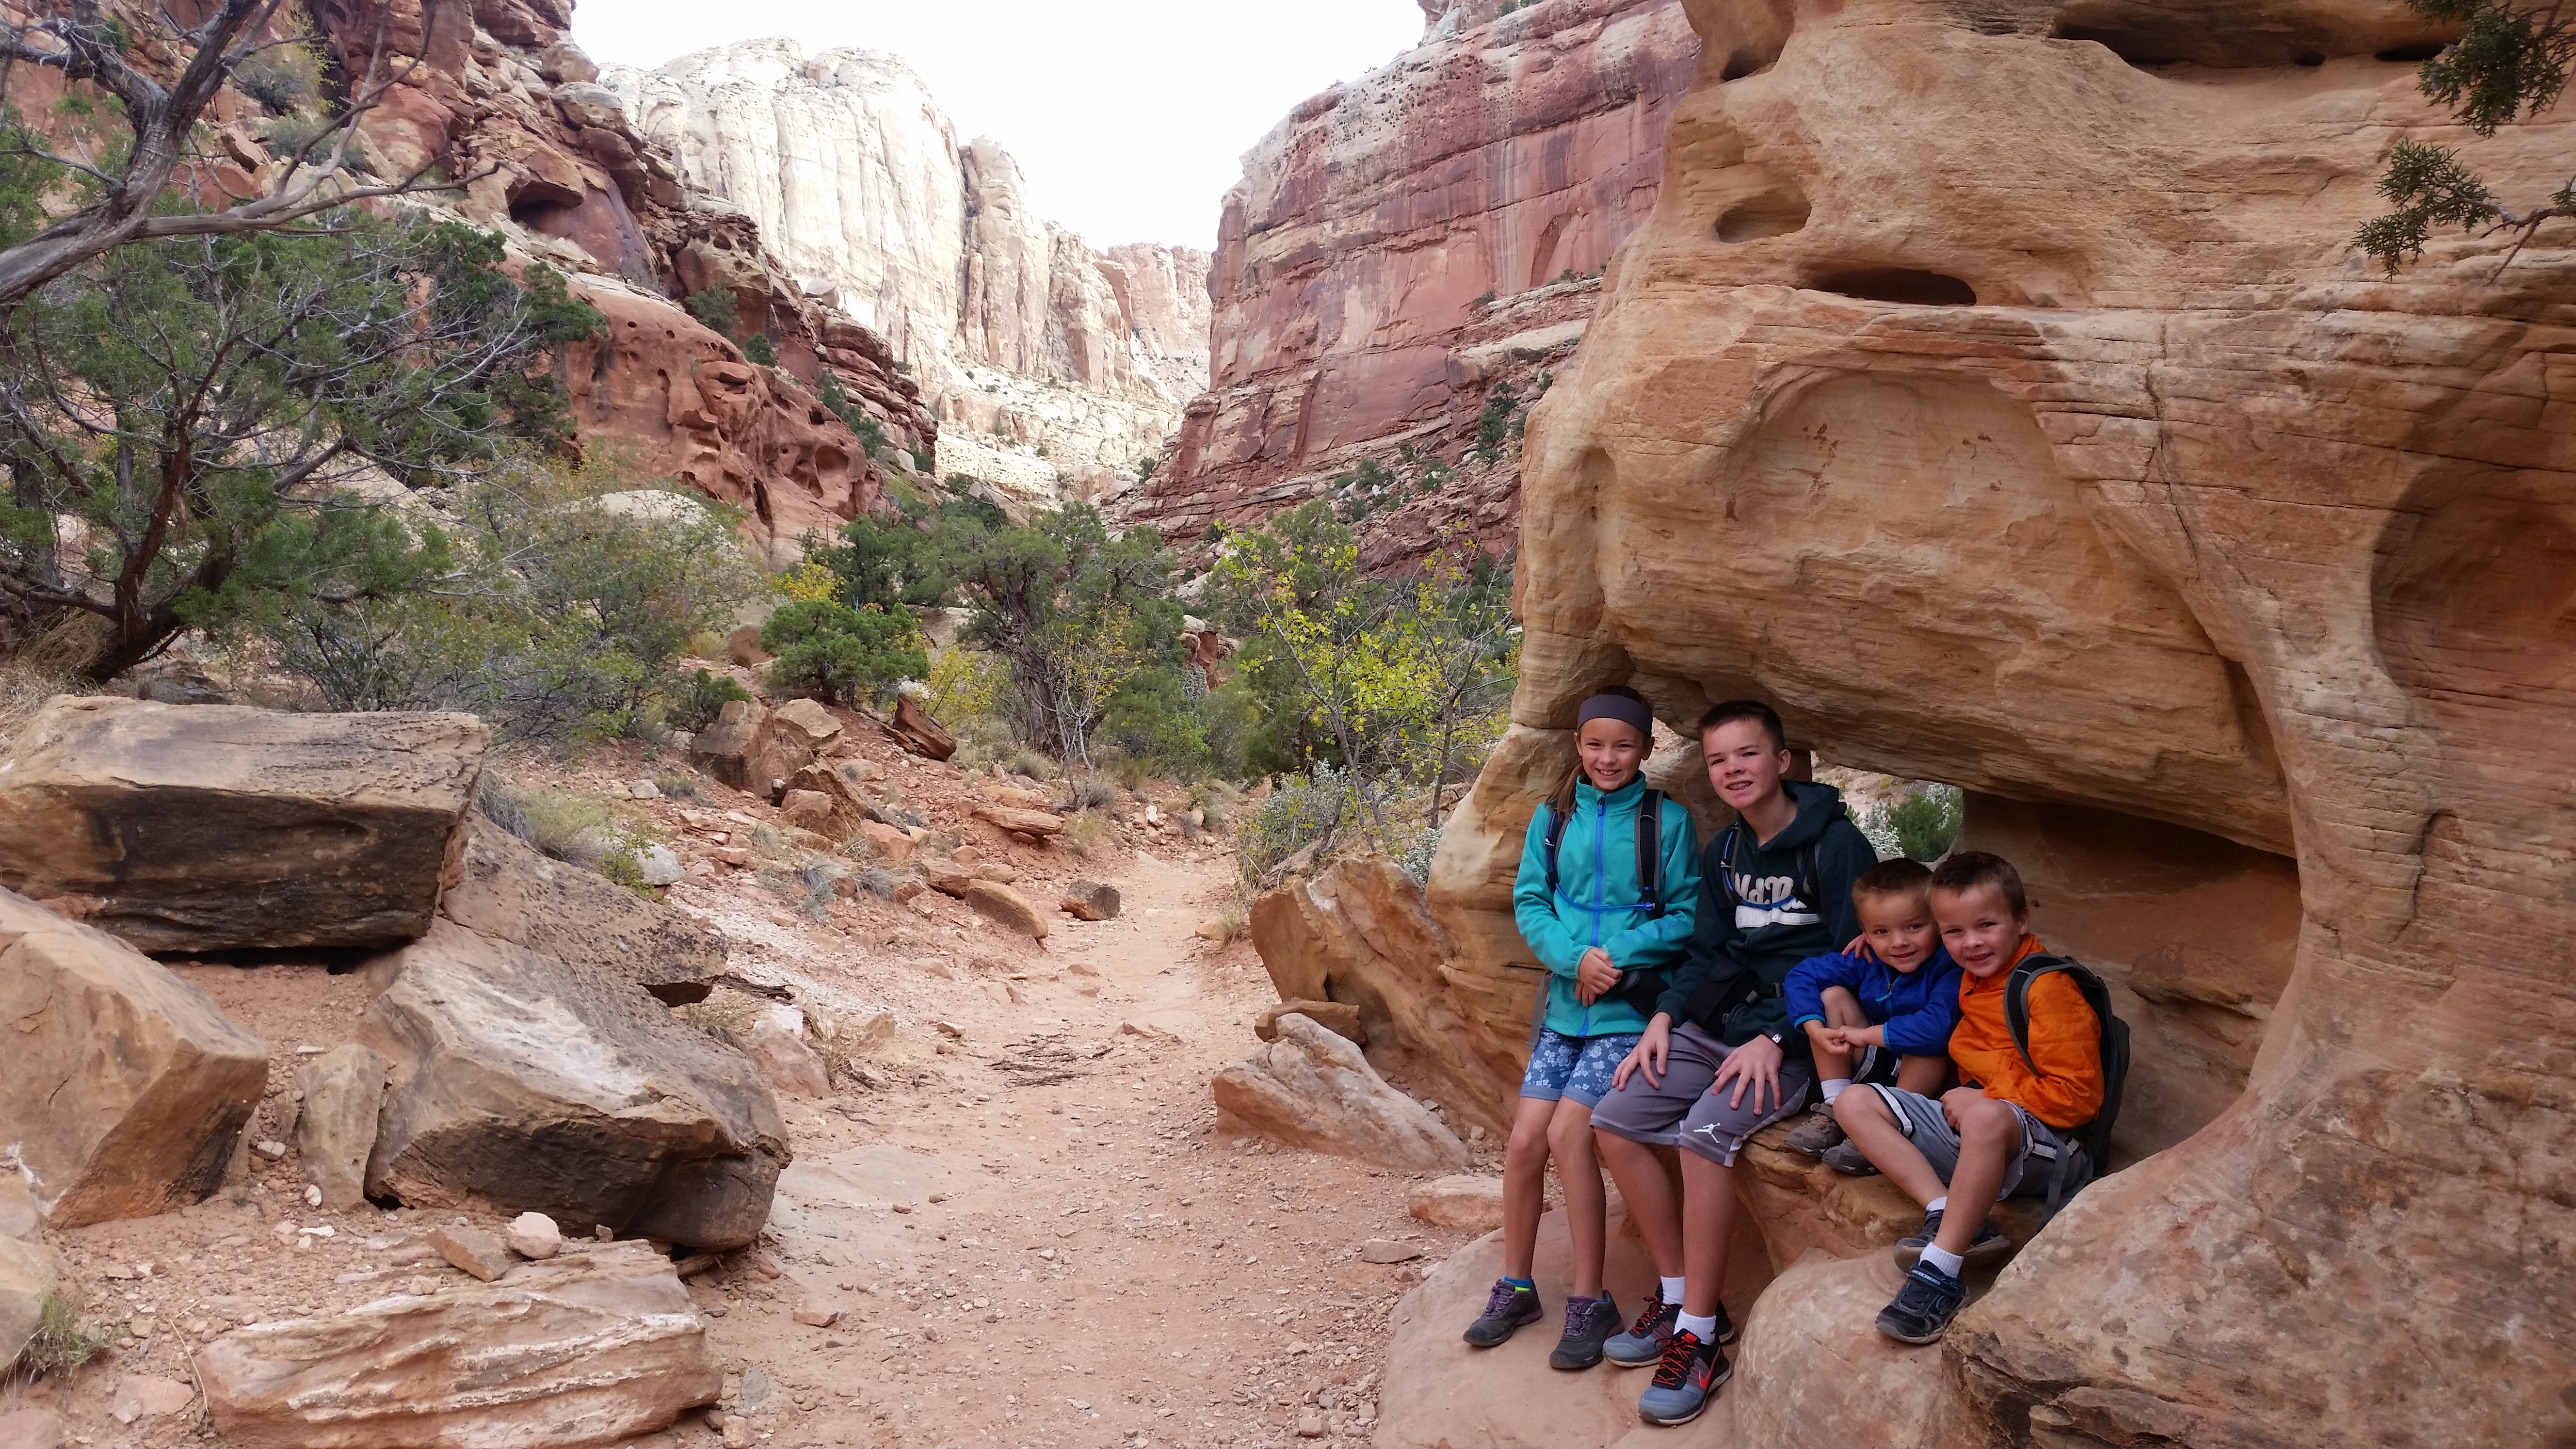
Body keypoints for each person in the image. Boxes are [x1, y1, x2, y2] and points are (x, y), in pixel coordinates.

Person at [1588, 699, 1877, 1426]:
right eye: (1718, 760)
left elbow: (1855, 967)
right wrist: (1663, 1018)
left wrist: (1780, 1038)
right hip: (1726, 1021)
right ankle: (1687, 1295)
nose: (1732, 771)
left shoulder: (1838, 849)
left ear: (1781, 761)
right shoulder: (1725, 852)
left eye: (1747, 755)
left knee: (1705, 1134)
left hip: (1803, 1034)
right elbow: (1709, 955)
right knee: (1615, 1118)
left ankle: (1701, 1342)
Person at [1463, 686, 1701, 1369]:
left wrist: (1613, 957)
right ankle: (1517, 1285)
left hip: (1625, 1011)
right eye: (1595, 744)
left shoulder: (1668, 822)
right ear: (1578, 746)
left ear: (1647, 751)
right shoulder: (1554, 817)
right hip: (1566, 1009)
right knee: (1523, 1143)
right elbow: (1531, 899)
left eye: (1623, 745)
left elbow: (1685, 914)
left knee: (1573, 1134)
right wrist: (1574, 960)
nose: (1608, 757)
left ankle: (1590, 1300)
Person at [1831, 851, 2104, 1345]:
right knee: (1853, 1103)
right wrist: (1868, 948)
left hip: (2049, 1147)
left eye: (1986, 925)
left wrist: (1985, 1096)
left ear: (2020, 920)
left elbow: (2078, 1100)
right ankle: (1946, 1212)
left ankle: (1941, 1273)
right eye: (1953, 932)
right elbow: (1908, 951)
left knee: (1980, 1119)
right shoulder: (1968, 975)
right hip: (1985, 1128)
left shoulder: (2045, 990)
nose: (1971, 943)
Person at [1775, 858, 1963, 1173]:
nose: (1899, 942)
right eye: (1882, 931)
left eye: (1914, 927)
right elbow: (1802, 976)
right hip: (1880, 1064)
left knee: (1927, 1046)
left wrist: (1865, 1036)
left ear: (1939, 921)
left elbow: (1937, 1027)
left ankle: (1891, 1125)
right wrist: (1814, 1029)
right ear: (1864, 933)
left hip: (1922, 1081)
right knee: (1831, 996)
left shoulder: (1949, 966)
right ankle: (1836, 1105)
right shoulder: (1867, 958)